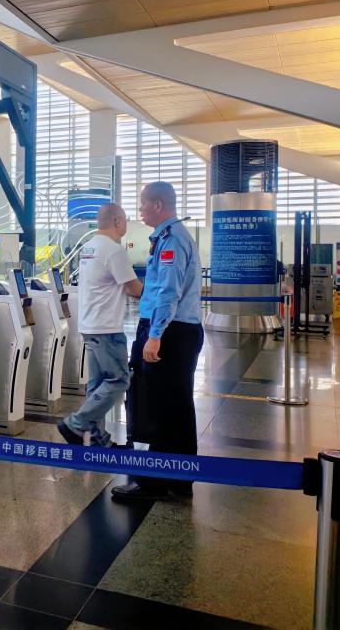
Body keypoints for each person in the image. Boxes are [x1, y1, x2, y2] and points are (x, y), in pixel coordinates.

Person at [113, 182, 203, 503]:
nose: (139, 210)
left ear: (158, 205)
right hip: (177, 330)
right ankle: (180, 479)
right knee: (177, 406)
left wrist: (155, 335)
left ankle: (153, 483)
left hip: (169, 332)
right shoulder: (169, 236)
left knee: (159, 406)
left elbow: (168, 291)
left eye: (142, 204)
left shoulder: (171, 240)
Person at [57, 202, 142, 447]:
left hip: (89, 325)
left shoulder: (89, 247)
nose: (126, 225)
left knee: (96, 386)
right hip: (107, 329)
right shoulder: (113, 250)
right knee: (119, 380)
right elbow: (133, 288)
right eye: (125, 221)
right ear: (117, 221)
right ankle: (76, 423)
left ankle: (97, 439)